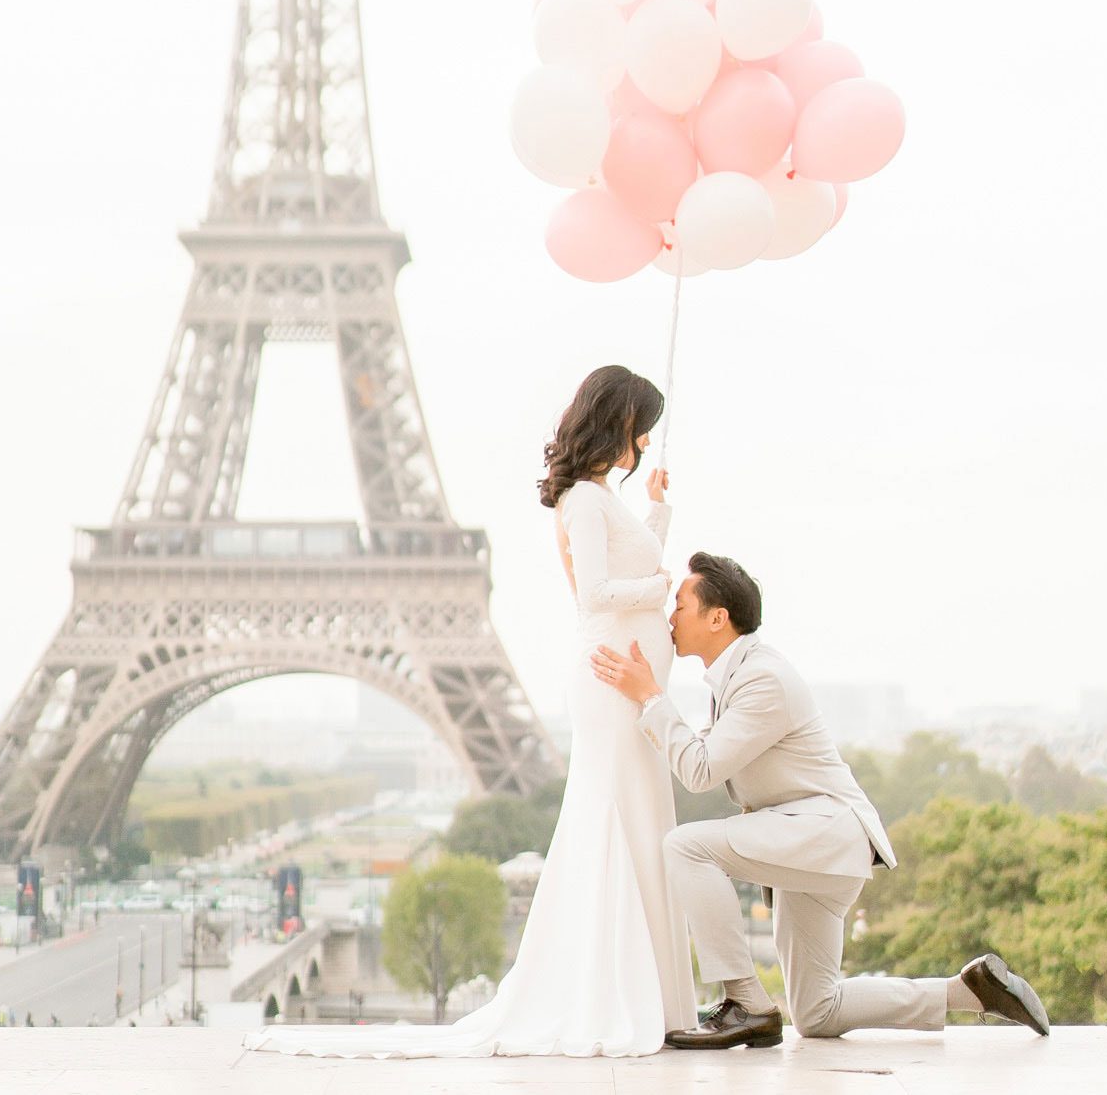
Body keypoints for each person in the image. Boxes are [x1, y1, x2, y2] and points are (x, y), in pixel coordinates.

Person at [245, 365, 693, 1058]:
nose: (644, 441)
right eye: (642, 427)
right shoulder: (582, 500)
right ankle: (622, 993)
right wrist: (664, 582)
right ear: (620, 422)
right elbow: (597, 593)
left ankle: (643, 992)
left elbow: (627, 566)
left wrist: (658, 511)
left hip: (625, 676)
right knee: (617, 817)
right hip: (612, 680)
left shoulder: (605, 497)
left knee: (632, 817)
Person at [593, 553, 1051, 1046]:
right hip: (814, 847)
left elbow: (700, 769)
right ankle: (972, 992)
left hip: (823, 836)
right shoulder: (739, 675)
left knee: (685, 846)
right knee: (817, 1013)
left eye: (679, 605)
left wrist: (652, 699)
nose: (671, 617)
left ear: (717, 617)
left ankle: (745, 999)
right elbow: (704, 754)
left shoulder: (762, 678)